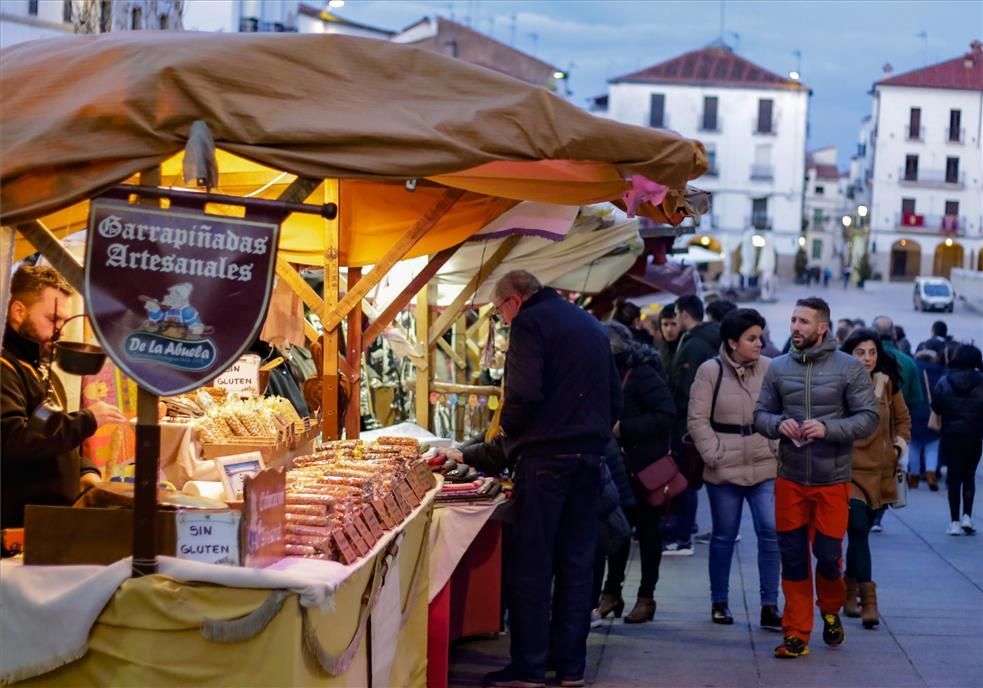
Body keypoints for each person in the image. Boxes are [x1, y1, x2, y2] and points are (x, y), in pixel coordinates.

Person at [485, 270, 621, 688]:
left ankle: (528, 667)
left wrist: (508, 430)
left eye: (498, 313)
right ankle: (570, 669)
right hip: (589, 460)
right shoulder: (589, 324)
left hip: (545, 459)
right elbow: (615, 397)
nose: (502, 321)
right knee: (577, 567)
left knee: (533, 566)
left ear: (514, 300)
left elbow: (523, 392)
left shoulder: (530, 322)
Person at [754, 297, 878, 659]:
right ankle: (796, 633)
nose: (795, 327)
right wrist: (779, 424)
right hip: (790, 479)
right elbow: (759, 415)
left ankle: (830, 610)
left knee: (827, 557)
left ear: (822, 327)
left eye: (804, 321)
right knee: (792, 558)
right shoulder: (777, 368)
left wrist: (827, 428)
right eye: (793, 319)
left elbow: (868, 417)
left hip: (832, 481)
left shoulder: (849, 368)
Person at [2, 266, 127, 531]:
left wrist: (85, 472)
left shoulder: (41, 371)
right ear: (18, 311)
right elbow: (12, 440)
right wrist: (87, 420)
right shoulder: (4, 370)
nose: (60, 331)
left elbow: (50, 433)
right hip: (15, 526)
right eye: (52, 319)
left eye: (63, 321)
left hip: (48, 521)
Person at [687, 308, 781, 630]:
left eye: (761, 337)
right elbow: (697, 418)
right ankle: (719, 601)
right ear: (732, 342)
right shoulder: (709, 371)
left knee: (770, 531)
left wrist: (775, 445)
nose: (760, 343)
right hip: (724, 465)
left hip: (764, 461)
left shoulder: (770, 368)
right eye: (752, 338)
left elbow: (783, 410)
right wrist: (713, 453)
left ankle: (770, 604)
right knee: (724, 535)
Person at [597, 322, 675, 624]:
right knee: (617, 530)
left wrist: (623, 429)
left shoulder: (641, 373)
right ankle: (611, 593)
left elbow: (666, 413)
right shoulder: (607, 372)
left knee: (647, 533)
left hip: (643, 469)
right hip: (619, 468)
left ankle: (646, 597)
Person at [840, 329, 911, 630]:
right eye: (860, 352)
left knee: (861, 535)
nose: (867, 358)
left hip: (881, 475)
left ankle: (849, 590)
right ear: (850, 353)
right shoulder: (839, 382)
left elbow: (903, 420)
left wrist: (897, 446)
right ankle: (869, 602)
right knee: (857, 530)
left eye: (872, 352)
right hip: (850, 471)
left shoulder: (887, 382)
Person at [667, 294, 720, 556]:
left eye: (676, 315)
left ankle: (683, 537)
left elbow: (685, 389)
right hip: (700, 423)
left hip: (688, 426)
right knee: (693, 480)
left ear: (684, 314)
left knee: (686, 481)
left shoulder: (693, 345)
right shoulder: (707, 340)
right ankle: (687, 531)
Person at [930, 344, 983, 536]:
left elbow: (936, 405)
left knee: (954, 478)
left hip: (951, 433)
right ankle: (967, 517)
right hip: (975, 433)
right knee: (969, 476)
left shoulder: (945, 380)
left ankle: (954, 522)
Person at [909, 350, 944, 490]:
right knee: (933, 448)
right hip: (933, 413)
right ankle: (931, 476)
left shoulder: (914, 370)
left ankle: (914, 477)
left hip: (915, 413)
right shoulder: (941, 372)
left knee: (914, 447)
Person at [656, 304, 680, 371]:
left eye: (673, 324)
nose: (669, 329)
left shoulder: (689, 346)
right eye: (665, 324)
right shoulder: (661, 348)